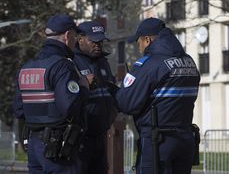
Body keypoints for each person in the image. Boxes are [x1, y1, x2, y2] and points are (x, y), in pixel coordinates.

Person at [115, 17, 201, 174]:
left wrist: (117, 92)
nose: (138, 46)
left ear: (147, 40)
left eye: (138, 41)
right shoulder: (189, 61)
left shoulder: (149, 64)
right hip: (185, 138)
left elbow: (127, 104)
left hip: (158, 142)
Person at [13, 14, 89, 173]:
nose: (75, 42)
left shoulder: (27, 67)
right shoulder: (62, 66)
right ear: (68, 36)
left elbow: (19, 110)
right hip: (57, 149)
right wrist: (83, 87)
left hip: (34, 145)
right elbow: (69, 107)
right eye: (75, 36)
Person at [73, 20, 118, 174]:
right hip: (80, 139)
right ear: (80, 39)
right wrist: (83, 84)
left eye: (100, 41)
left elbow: (110, 93)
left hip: (100, 136)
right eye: (94, 40)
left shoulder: (103, 62)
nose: (98, 44)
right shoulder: (71, 62)